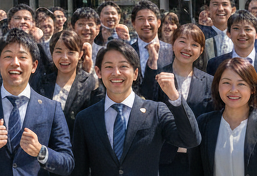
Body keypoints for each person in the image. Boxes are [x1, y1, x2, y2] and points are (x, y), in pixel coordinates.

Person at [68, 40, 198, 176]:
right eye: (109, 67)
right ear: (98, 72)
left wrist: (175, 97)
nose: (116, 73)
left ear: (135, 73)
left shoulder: (156, 111)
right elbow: (79, 170)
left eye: (123, 66)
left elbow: (190, 139)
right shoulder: (85, 118)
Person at [0, 28, 73, 176]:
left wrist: (41, 151)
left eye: (22, 57)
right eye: (8, 56)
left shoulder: (51, 108)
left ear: (34, 66)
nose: (15, 63)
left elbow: (68, 163)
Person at [189, 57, 257, 176]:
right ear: (218, 86)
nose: (233, 90)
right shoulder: (204, 124)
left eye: (241, 84)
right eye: (226, 83)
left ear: (252, 89)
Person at [139, 24, 213, 176]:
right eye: (182, 41)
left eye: (194, 44)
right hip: (163, 158)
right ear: (173, 45)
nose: (187, 48)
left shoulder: (209, 82)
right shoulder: (157, 76)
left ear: (201, 51)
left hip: (198, 159)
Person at [32, 30, 101, 126]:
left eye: (70, 52)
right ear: (52, 53)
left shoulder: (90, 84)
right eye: (59, 52)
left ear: (80, 55)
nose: (64, 57)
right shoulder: (41, 83)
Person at [206, 10, 257, 93]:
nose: (242, 33)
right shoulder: (215, 64)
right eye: (236, 28)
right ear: (228, 33)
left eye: (247, 29)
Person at [179, 0, 236, 64]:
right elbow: (185, 22)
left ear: (233, 10)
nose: (220, 9)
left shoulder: (238, 35)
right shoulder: (200, 35)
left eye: (225, 4)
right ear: (207, 10)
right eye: (215, 4)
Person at [129, 1, 172, 79]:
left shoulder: (172, 51)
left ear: (158, 23)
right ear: (133, 23)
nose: (146, 24)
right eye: (141, 19)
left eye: (150, 19)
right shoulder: (127, 52)